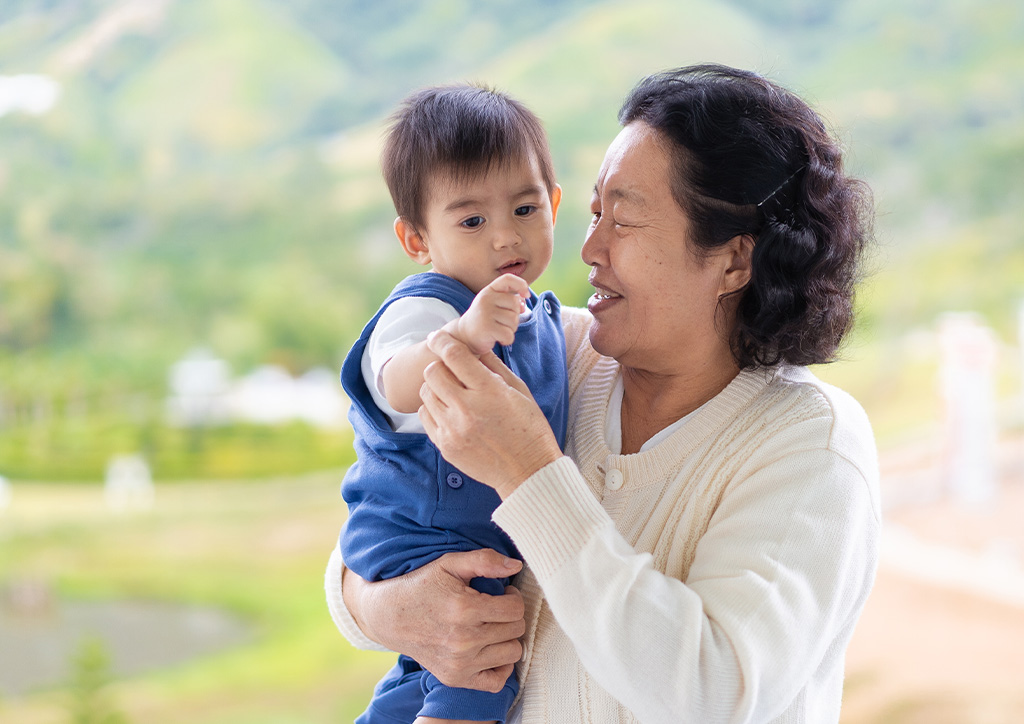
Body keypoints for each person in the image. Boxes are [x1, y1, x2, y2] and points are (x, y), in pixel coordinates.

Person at [327, 64, 879, 723]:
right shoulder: (550, 352)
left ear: (734, 259)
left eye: (625, 220)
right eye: (592, 213)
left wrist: (530, 472)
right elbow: (385, 519)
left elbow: (713, 694)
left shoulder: (811, 443)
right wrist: (380, 606)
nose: (588, 247)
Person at [336, 84, 567, 724]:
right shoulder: (425, 307)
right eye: (471, 221)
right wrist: (461, 337)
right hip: (416, 532)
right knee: (482, 670)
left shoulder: (549, 322)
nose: (504, 238)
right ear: (416, 239)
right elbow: (394, 380)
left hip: (469, 539)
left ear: (553, 203)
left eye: (524, 209)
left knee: (425, 678)